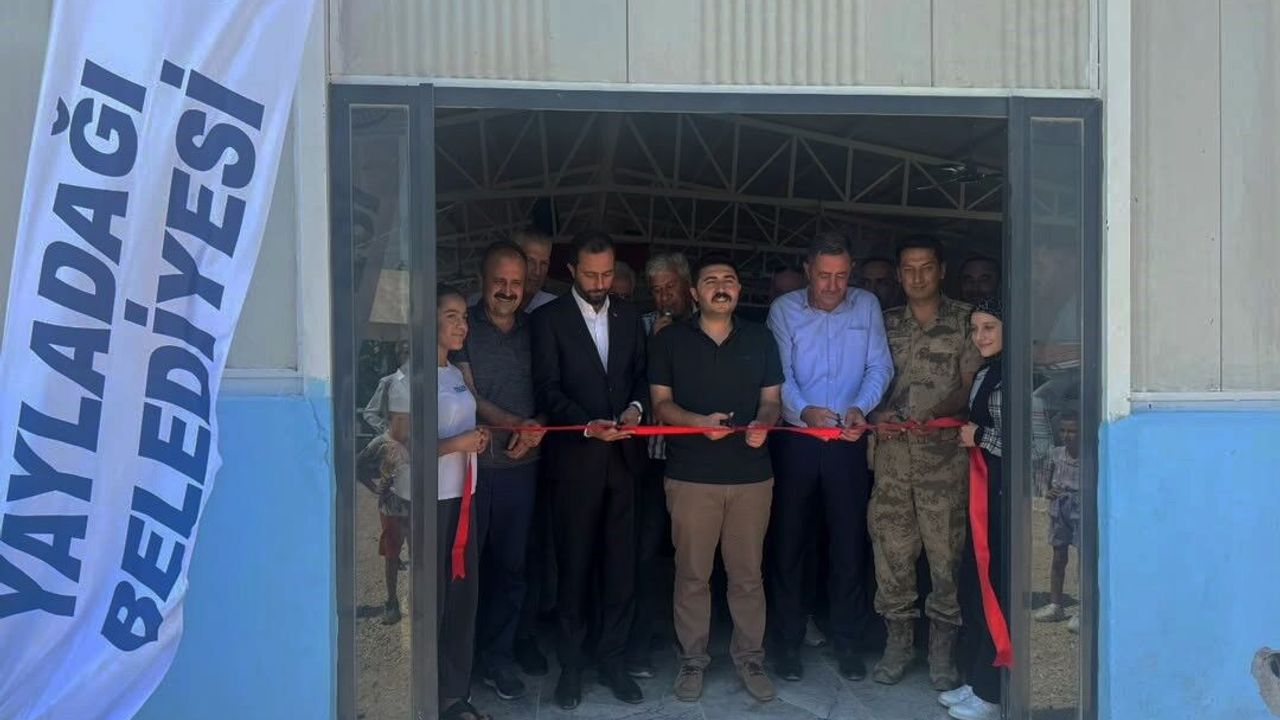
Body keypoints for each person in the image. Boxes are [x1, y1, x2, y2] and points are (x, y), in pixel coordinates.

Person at [649, 255, 783, 703]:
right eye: (710, 281)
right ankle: (692, 659)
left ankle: (750, 658)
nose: (721, 287)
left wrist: (765, 424)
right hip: (691, 476)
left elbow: (772, 400)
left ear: (739, 290)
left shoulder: (761, 337)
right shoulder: (670, 341)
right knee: (692, 574)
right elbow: (661, 404)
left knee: (747, 575)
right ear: (694, 292)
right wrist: (698, 423)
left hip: (751, 477)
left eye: (729, 280)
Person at [766, 232, 893, 683]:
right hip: (797, 440)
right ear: (807, 271)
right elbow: (778, 374)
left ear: (850, 271)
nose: (833, 286)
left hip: (848, 440)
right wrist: (804, 411)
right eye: (824, 276)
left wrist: (861, 406)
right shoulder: (784, 310)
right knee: (789, 545)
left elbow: (880, 366)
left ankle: (847, 642)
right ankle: (786, 642)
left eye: (841, 276)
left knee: (848, 545)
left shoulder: (866, 306)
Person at [530, 230, 649, 709]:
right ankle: (572, 667)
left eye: (607, 274)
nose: (601, 283)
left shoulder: (629, 316)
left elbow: (640, 374)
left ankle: (612, 661)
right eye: (591, 274)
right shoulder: (548, 320)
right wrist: (586, 425)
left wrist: (637, 408)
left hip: (625, 463)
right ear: (571, 271)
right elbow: (546, 388)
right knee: (574, 568)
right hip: (576, 464)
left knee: (620, 569)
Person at [868, 235, 981, 690]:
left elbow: (970, 384)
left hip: (945, 462)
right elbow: (865, 379)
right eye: (909, 269)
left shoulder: (966, 320)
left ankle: (941, 653)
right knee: (891, 554)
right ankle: (897, 645)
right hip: (892, 462)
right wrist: (874, 413)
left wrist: (933, 413)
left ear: (942, 270)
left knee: (946, 558)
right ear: (899, 274)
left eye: (926, 267)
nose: (917, 277)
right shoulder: (883, 323)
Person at [455, 241, 548, 701]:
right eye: (499, 282)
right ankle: (458, 661)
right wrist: (515, 423)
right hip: (469, 468)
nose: (508, 291)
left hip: (521, 469)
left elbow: (553, 392)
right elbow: (466, 394)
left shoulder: (538, 331)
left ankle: (499, 658)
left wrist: (536, 429)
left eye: (516, 282)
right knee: (466, 569)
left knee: (512, 568)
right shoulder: (463, 327)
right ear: (482, 281)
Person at [626, 251, 693, 677]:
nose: (664, 297)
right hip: (650, 462)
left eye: (671, 288)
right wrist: (657, 343)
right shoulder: (643, 326)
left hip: (695, 463)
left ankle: (691, 638)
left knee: (693, 555)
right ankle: (642, 639)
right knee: (645, 551)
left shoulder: (707, 327)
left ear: (688, 286)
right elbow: (632, 382)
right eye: (656, 290)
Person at [945, 297, 1007, 720]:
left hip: (1008, 500)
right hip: (984, 494)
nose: (980, 336)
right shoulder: (987, 373)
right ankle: (978, 679)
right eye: (975, 328)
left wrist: (981, 437)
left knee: (998, 588)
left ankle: (993, 692)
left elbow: (1033, 444)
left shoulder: (1019, 379)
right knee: (976, 583)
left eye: (989, 328)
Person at [435, 285, 493, 720]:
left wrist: (477, 439)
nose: (462, 325)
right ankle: (422, 695)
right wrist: (459, 443)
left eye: (464, 317)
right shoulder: (407, 379)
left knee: (461, 601)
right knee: (433, 602)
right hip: (431, 506)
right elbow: (400, 449)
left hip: (463, 499)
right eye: (451, 316)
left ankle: (454, 695)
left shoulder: (455, 374)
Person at [355, 377, 411, 625]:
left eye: (407, 417)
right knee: (391, 553)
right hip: (391, 508)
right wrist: (374, 488)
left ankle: (417, 599)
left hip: (414, 506)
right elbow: (358, 465)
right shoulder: (379, 443)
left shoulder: (416, 440)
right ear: (389, 418)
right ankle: (391, 601)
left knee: (418, 552)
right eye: (399, 418)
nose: (404, 423)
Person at [1033, 410, 1082, 633]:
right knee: (1058, 557)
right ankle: (1056, 604)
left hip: (1081, 509)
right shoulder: (1056, 453)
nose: (1067, 435)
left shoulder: (1089, 456)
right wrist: (1047, 491)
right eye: (1063, 431)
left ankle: (1083, 609)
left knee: (1084, 562)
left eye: (1073, 431)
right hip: (1059, 508)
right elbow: (1043, 476)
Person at [467, 228, 557, 313]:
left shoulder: (554, 308)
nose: (537, 272)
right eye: (530, 261)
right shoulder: (473, 304)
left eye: (544, 263)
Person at [361, 339, 409, 434]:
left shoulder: (421, 383)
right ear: (399, 356)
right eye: (406, 353)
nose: (410, 357)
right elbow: (370, 413)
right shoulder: (388, 382)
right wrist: (386, 429)